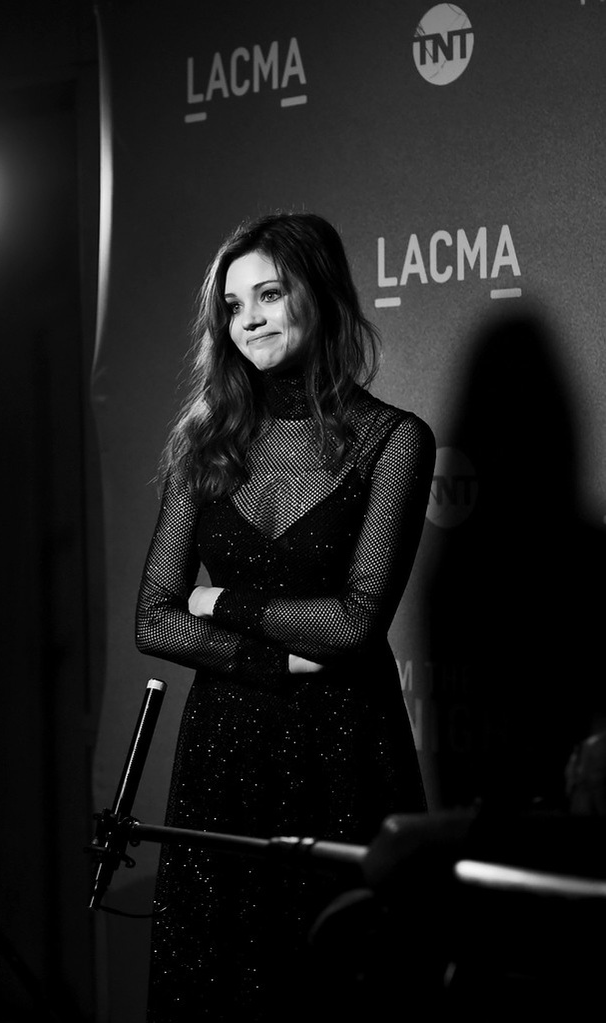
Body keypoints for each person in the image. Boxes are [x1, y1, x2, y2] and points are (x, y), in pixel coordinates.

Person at [135, 211, 436, 1021]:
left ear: (322, 294)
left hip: (346, 749)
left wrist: (221, 602)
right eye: (234, 306)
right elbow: (154, 619)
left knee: (340, 986)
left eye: (269, 294)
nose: (250, 320)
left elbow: (355, 624)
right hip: (225, 755)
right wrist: (272, 657)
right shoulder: (202, 445)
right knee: (219, 987)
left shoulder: (392, 440)